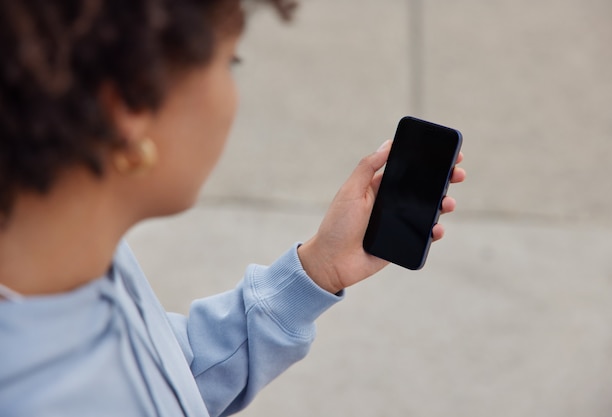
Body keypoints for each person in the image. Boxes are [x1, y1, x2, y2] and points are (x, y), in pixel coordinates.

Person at [0, 0, 465, 416]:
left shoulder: (72, 263)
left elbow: (173, 382)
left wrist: (316, 272)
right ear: (132, 103)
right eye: (230, 63)